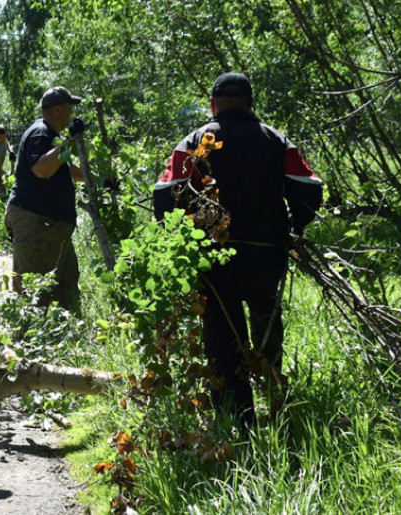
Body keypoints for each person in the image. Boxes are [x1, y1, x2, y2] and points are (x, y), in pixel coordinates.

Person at [153, 72, 323, 424]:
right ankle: (275, 398)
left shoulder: (197, 141)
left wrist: (185, 237)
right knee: (266, 322)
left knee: (221, 333)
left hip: (214, 257)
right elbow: (309, 188)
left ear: (212, 105)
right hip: (266, 252)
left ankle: (236, 415)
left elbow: (165, 195)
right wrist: (293, 226)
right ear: (250, 103)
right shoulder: (275, 139)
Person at [5, 86, 85, 311]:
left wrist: (98, 179)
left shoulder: (51, 135)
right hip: (37, 225)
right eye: (68, 108)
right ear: (58, 109)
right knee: (34, 292)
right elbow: (42, 169)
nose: (71, 114)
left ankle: (68, 328)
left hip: (51, 228)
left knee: (66, 285)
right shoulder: (41, 133)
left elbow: (64, 168)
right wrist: (68, 140)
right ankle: (28, 331)